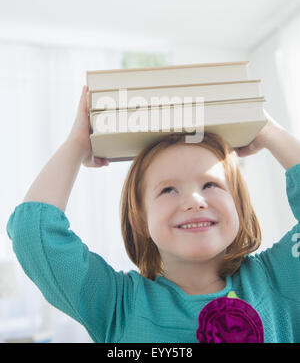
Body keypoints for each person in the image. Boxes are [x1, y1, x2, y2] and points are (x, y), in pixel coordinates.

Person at [6, 85, 300, 343]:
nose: (195, 201)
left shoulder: (277, 278)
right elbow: (34, 234)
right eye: (169, 190)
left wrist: (269, 132)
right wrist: (77, 145)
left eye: (210, 184)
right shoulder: (117, 305)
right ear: (141, 221)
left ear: (238, 206)